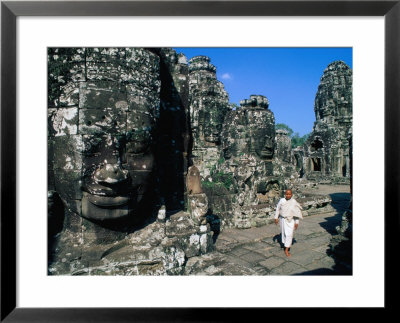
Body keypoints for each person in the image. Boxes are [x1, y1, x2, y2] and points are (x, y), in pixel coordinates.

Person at [274, 189, 303, 257]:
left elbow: (296, 212)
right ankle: (285, 245)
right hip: (283, 220)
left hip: (291, 220)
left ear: (291, 195)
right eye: (287, 194)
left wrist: (296, 222)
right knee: (284, 234)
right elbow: (278, 209)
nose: (288, 195)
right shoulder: (282, 200)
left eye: (289, 194)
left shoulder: (293, 202)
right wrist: (276, 218)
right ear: (285, 194)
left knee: (289, 235)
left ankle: (286, 249)